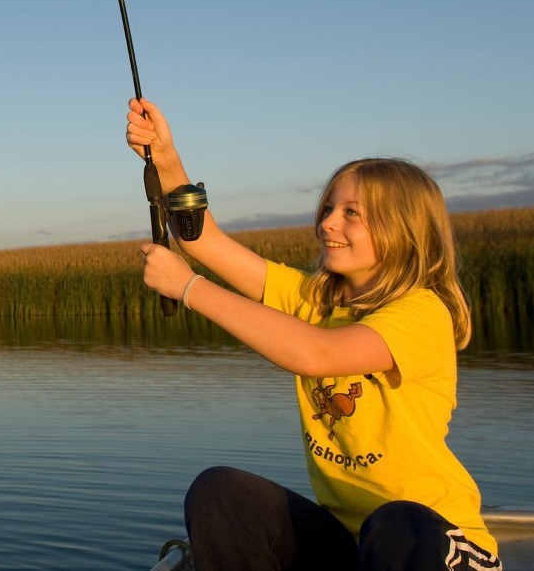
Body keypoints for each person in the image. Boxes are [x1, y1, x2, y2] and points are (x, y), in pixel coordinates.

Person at [125, 97, 502, 571]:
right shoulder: (315, 299)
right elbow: (202, 239)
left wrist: (189, 288)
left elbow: (315, 354)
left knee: (396, 524)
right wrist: (167, 158)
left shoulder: (421, 312)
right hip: (349, 545)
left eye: (351, 213)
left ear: (405, 231)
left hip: (433, 546)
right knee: (219, 492)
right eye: (328, 207)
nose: (326, 223)